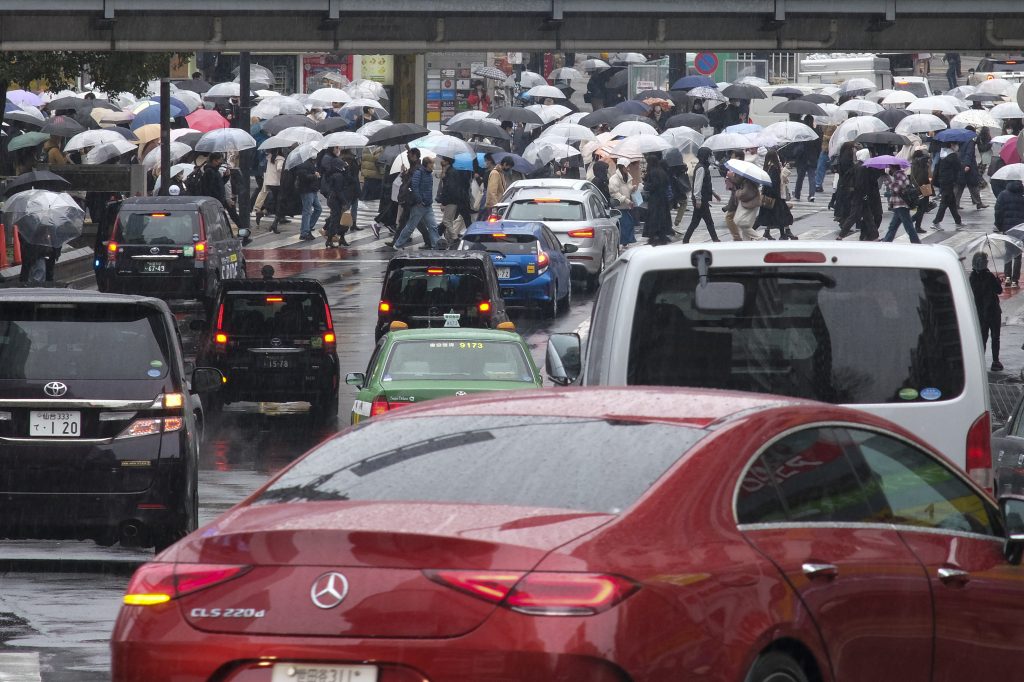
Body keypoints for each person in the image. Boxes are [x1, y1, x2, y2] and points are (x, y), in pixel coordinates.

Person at [391, 155, 439, 250]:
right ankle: (398, 245)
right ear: (427, 164)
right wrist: (419, 200)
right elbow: (414, 187)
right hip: (419, 205)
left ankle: (436, 245)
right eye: (432, 163)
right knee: (410, 227)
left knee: (433, 226)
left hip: (428, 205)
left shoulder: (429, 174)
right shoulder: (419, 173)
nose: (434, 165)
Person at [969, 251, 1003, 371]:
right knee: (995, 337)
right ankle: (995, 361)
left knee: (982, 337)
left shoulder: (972, 277)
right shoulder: (989, 276)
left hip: (981, 312)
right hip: (993, 311)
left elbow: (975, 293)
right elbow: (999, 291)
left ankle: (981, 361)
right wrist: (998, 282)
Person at [753, 149, 795, 240]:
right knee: (767, 217)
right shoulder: (774, 169)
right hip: (774, 197)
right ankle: (751, 231)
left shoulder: (767, 167)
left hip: (768, 196)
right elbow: (774, 183)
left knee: (776, 216)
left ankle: (782, 234)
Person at [683, 147, 719, 243]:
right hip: (701, 199)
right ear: (706, 156)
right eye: (710, 155)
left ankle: (686, 239)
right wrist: (698, 199)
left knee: (695, 222)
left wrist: (714, 193)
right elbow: (697, 185)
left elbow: (706, 184)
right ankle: (715, 239)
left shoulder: (703, 167)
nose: (712, 157)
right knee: (708, 222)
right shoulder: (701, 168)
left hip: (702, 199)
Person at [880, 163, 921, 243]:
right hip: (898, 204)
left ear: (893, 167)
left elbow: (896, 188)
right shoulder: (898, 175)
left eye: (890, 167)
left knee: (908, 225)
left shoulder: (900, 175)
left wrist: (888, 182)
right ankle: (887, 241)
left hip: (901, 204)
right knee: (893, 226)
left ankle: (916, 242)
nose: (889, 168)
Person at [995, 180, 1024, 287]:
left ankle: (1007, 277)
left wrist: (999, 225)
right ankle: (1015, 281)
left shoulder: (1003, 195)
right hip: (1020, 229)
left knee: (1008, 253)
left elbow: (998, 211)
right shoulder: (1022, 196)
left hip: (1007, 228)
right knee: (1017, 255)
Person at [320, 149, 350, 248]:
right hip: (336, 200)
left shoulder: (337, 174)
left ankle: (341, 238)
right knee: (336, 220)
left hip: (334, 199)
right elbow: (338, 191)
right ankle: (329, 239)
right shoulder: (338, 176)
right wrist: (344, 202)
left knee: (342, 220)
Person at [643, 152, 674, 246]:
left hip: (655, 199)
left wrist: (646, 186)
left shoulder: (653, 172)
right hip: (663, 199)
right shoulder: (661, 171)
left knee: (654, 218)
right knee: (662, 217)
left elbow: (653, 185)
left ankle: (653, 236)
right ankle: (661, 235)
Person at [932, 143, 964, 229]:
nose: (957, 146)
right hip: (949, 181)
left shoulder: (942, 154)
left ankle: (958, 221)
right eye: (955, 144)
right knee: (945, 202)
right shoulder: (952, 155)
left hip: (942, 180)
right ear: (952, 145)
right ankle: (936, 222)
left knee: (951, 202)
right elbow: (959, 167)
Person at [955, 128, 987, 210]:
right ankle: (978, 202)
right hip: (969, 167)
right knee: (973, 185)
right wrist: (967, 165)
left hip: (960, 165)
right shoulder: (970, 142)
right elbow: (968, 154)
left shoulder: (959, 141)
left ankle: (955, 203)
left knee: (960, 186)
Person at [292, 154, 322, 241]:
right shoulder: (303, 164)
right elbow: (303, 177)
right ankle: (304, 233)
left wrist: (315, 175)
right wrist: (315, 176)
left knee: (318, 209)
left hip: (312, 189)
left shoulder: (311, 163)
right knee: (307, 211)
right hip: (307, 190)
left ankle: (307, 228)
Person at [609, 160, 638, 247]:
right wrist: (626, 200)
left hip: (627, 205)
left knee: (628, 223)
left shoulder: (628, 177)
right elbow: (614, 193)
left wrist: (633, 189)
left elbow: (627, 188)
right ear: (622, 167)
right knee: (625, 223)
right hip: (620, 206)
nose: (628, 169)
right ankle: (622, 241)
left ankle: (625, 241)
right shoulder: (614, 179)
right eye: (626, 167)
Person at [793, 116, 821, 202]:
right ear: (812, 121)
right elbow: (818, 147)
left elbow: (796, 145)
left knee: (800, 177)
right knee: (812, 177)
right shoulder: (815, 132)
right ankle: (811, 195)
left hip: (802, 159)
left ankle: (797, 194)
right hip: (812, 158)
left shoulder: (801, 133)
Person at [255, 149, 284, 231]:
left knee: (275, 201)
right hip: (277, 183)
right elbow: (279, 168)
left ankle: (263, 211)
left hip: (269, 182)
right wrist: (284, 171)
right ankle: (266, 213)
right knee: (279, 202)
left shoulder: (270, 157)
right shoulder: (280, 158)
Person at [909, 149, 934, 234]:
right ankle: (912, 223)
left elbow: (913, 177)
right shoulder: (923, 163)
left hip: (920, 187)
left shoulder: (914, 164)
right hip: (924, 187)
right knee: (922, 208)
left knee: (922, 208)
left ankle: (917, 226)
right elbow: (927, 176)